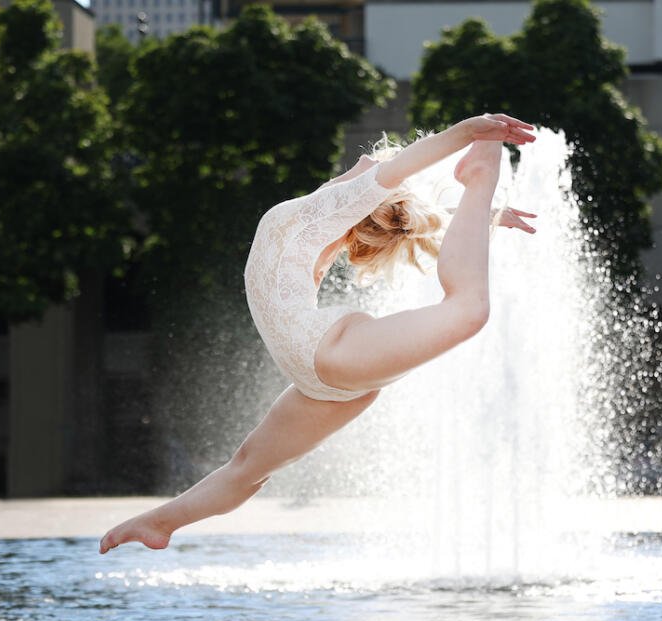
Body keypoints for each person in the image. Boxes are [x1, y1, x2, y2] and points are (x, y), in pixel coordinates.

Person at [99, 113, 536, 554]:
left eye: (374, 163)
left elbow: (402, 168)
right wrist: (476, 210)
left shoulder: (322, 211)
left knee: (247, 469)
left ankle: (476, 177)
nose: (365, 160)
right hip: (323, 368)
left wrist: (467, 135)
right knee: (246, 468)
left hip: (318, 366)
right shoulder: (317, 216)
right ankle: (159, 523)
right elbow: (400, 188)